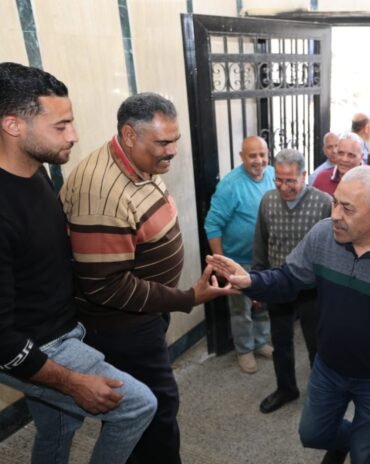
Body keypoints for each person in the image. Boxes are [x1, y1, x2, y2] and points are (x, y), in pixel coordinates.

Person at [207, 166, 370, 464]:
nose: (335, 215)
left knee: (364, 455)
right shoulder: (323, 235)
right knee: (313, 434)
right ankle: (360, 440)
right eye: (335, 203)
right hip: (329, 368)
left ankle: (364, 443)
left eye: (347, 208)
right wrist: (250, 281)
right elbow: (288, 278)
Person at [60, 92, 234, 463]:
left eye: (175, 140)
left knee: (146, 408)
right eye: (163, 143)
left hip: (146, 313)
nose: (172, 151)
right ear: (129, 135)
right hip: (122, 326)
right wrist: (187, 297)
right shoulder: (100, 192)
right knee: (155, 412)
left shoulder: (138, 164)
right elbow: (105, 286)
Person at [0, 61, 157, 464]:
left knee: (58, 427)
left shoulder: (35, 169)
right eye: (60, 126)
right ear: (13, 125)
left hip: (64, 325)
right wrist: (71, 382)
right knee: (137, 405)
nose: (73, 136)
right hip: (38, 344)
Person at [253, 148, 332, 414]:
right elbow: (260, 243)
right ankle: (286, 388)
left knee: (316, 345)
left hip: (312, 288)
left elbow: (333, 249)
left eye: (290, 181)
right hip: (278, 283)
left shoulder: (324, 203)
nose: (284, 186)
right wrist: (257, 283)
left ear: (304, 176)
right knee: (281, 342)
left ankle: (321, 394)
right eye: (279, 179)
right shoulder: (268, 201)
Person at [204, 135, 276, 374]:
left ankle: (261, 342)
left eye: (262, 155)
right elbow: (212, 224)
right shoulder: (230, 185)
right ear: (242, 157)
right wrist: (221, 264)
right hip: (239, 261)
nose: (258, 160)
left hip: (264, 259)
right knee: (240, 309)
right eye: (252, 155)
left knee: (262, 303)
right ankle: (244, 350)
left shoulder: (273, 175)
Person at [314, 132, 370, 219]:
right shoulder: (321, 179)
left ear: (361, 156)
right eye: (340, 153)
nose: (344, 159)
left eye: (351, 155)